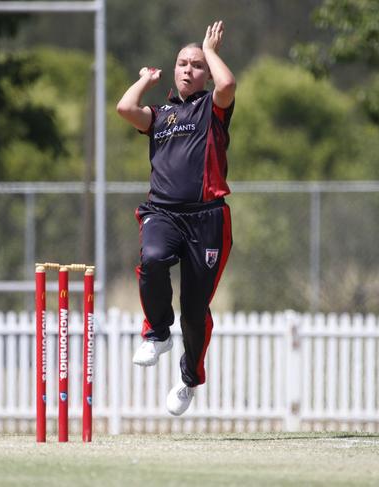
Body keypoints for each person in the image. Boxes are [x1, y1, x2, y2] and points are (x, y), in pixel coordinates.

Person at [116, 21, 235, 416]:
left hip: (208, 219)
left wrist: (211, 50)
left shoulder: (212, 108)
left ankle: (188, 377)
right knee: (151, 259)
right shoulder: (160, 114)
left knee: (196, 311)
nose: (188, 70)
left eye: (196, 65)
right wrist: (145, 81)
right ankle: (157, 332)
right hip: (163, 213)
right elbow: (125, 109)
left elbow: (228, 86)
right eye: (183, 63)